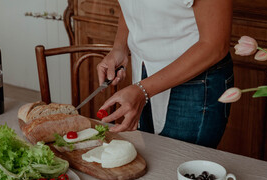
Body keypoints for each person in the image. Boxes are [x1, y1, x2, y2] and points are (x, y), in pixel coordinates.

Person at [97, 0, 234, 148]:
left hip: (196, 84)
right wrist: (119, 47)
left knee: (176, 164)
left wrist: (143, 90)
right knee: (152, 161)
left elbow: (215, 46)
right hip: (143, 75)